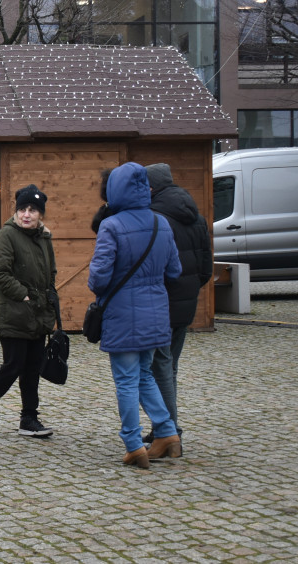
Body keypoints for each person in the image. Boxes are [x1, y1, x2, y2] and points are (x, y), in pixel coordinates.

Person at [88, 162, 182, 468]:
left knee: (127, 381)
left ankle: (133, 443)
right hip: (156, 312)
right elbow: (174, 270)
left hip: (123, 315)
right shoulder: (161, 224)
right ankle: (167, 432)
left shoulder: (111, 226)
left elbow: (99, 279)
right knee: (144, 374)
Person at [0, 185, 58, 439]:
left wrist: (49, 296)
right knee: (13, 364)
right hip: (13, 312)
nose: (27, 215)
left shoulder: (43, 237)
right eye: (22, 209)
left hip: (38, 314)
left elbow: (50, 272)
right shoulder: (8, 235)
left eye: (33, 210)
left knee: (32, 367)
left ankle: (29, 418)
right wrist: (23, 294)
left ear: (40, 214)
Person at [144, 163, 213, 444]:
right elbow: (206, 269)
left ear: (150, 188)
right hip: (185, 304)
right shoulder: (195, 216)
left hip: (160, 303)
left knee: (157, 367)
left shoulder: (154, 218)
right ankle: (166, 426)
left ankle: (168, 431)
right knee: (168, 366)